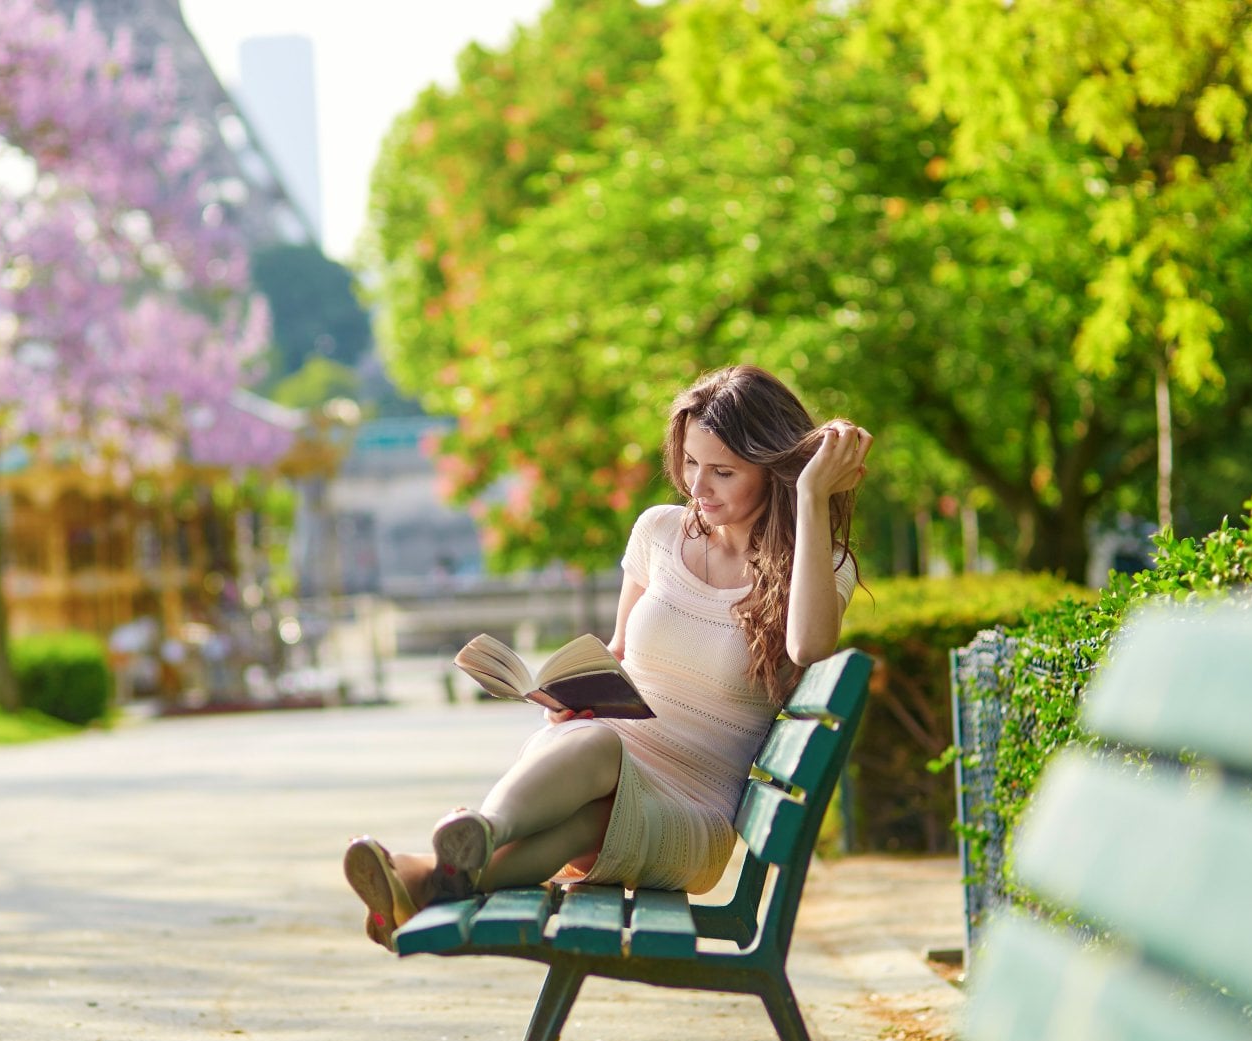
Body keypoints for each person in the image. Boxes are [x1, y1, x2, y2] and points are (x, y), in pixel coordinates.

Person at [344, 364, 871, 949]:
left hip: (692, 811)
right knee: (586, 797)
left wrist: (811, 495)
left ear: (774, 473)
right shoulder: (659, 532)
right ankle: (430, 876)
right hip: (606, 766)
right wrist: (569, 699)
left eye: (723, 472)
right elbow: (617, 653)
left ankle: (471, 838)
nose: (698, 488)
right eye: (691, 464)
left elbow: (809, 647)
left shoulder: (816, 566)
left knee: (597, 758)